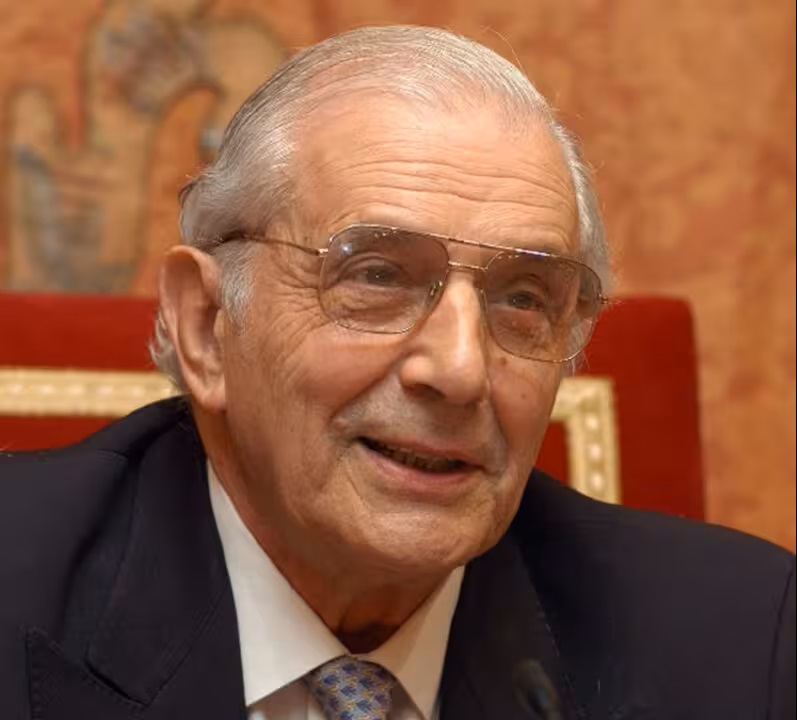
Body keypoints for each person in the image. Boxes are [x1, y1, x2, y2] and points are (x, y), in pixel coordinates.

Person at [0, 25, 793, 720]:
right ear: (207, 325)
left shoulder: (737, 643)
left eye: (522, 298)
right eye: (376, 276)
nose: (460, 369)